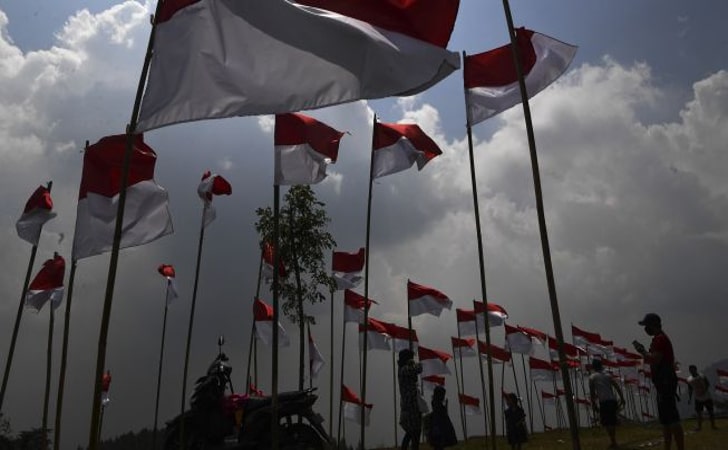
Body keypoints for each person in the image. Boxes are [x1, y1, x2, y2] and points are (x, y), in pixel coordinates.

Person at [633, 313, 685, 450]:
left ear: (652, 325)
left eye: (646, 326)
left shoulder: (660, 339)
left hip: (665, 381)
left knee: (672, 419)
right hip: (663, 381)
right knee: (666, 420)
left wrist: (642, 351)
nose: (645, 329)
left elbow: (654, 359)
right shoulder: (658, 339)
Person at [589, 359, 625, 449]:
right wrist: (622, 397)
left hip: (604, 402)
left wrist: (593, 404)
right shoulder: (607, 375)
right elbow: (616, 386)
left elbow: (592, 393)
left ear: (593, 367)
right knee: (611, 422)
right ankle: (613, 441)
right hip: (612, 400)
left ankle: (613, 441)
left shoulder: (592, 377)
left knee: (607, 422)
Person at [398, 349, 423, 450]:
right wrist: (416, 363)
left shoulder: (403, 369)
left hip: (411, 405)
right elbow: (418, 369)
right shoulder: (404, 369)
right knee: (415, 432)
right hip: (410, 406)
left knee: (411, 433)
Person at [687, 364, 717, 431]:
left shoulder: (702, 376)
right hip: (697, 398)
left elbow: (707, 384)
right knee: (699, 413)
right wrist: (689, 398)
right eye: (690, 370)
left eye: (693, 369)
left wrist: (703, 391)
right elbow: (690, 389)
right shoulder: (689, 379)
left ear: (695, 369)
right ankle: (699, 427)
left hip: (706, 397)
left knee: (710, 412)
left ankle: (713, 425)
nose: (691, 371)